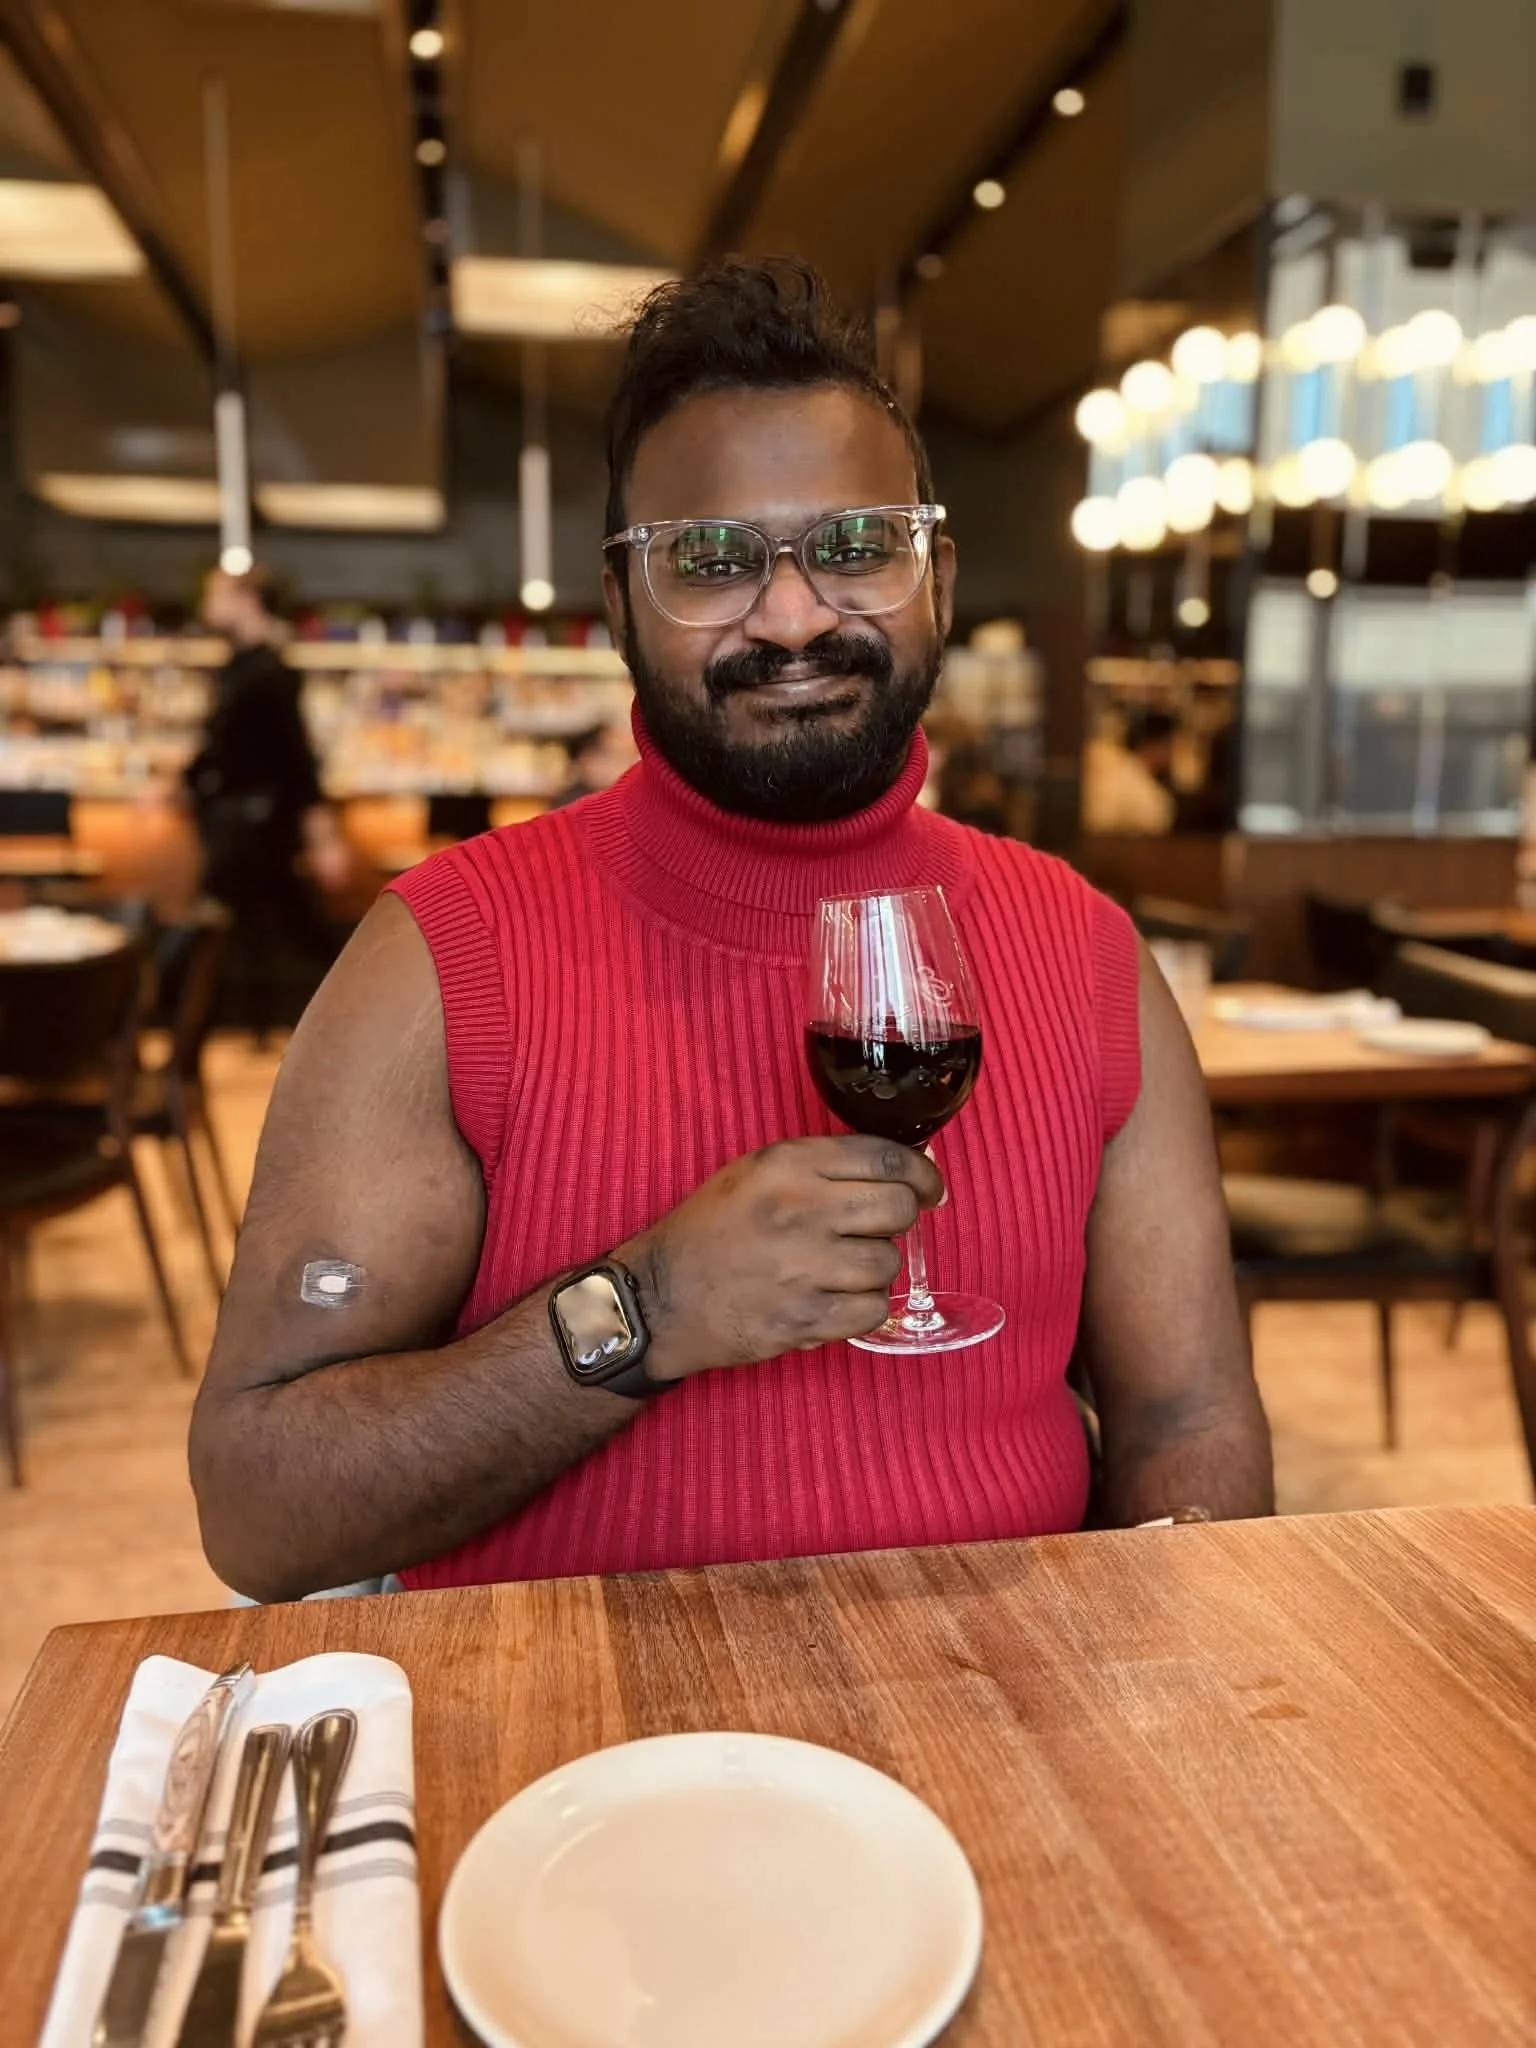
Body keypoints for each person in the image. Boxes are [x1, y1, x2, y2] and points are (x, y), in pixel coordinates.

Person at [191, 260, 1270, 1603]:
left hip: (998, 1741)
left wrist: (1172, 1664)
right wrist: (641, 1314)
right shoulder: (441, 959)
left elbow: (1188, 1426)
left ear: (934, 572)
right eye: (712, 560)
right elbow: (257, 1502)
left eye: (856, 546)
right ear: (622, 601)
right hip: (567, 1766)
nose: (797, 613)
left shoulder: (1085, 951)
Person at [187, 565, 351, 1031]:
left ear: (247, 599)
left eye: (215, 593)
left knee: (251, 934)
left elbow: (296, 759)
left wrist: (322, 836)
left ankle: (188, 1043)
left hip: (256, 830)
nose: (207, 604)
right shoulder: (240, 666)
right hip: (241, 827)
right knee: (275, 931)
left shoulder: (268, 671)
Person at [1082, 706, 1178, 836]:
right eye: (1169, 746)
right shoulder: (1136, 781)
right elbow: (1156, 820)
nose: (1172, 754)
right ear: (1154, 746)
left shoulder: (1116, 764)